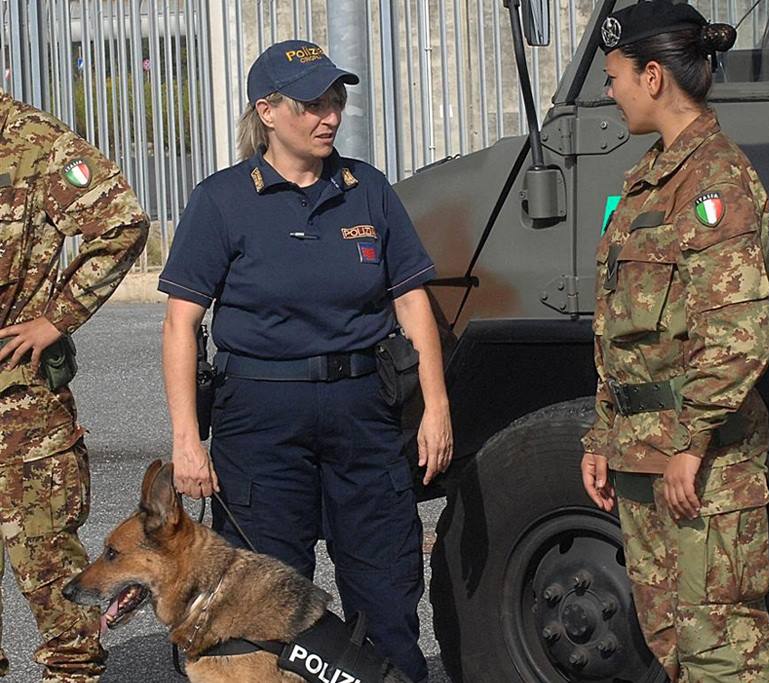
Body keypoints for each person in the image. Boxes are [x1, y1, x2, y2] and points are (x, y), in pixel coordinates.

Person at [158, 40, 451, 683]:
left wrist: (436, 406)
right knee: (259, 598)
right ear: (267, 110)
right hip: (260, 422)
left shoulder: (366, 190)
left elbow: (411, 301)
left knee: (387, 581)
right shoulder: (222, 200)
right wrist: (187, 441)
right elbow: (182, 324)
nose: (330, 117)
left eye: (336, 101)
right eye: (313, 104)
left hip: (361, 415)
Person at [579, 3, 769, 681]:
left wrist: (693, 446)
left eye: (615, 77)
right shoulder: (646, 181)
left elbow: (735, 336)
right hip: (643, 456)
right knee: (673, 646)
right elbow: (622, 331)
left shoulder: (714, 181)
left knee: (721, 648)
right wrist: (602, 438)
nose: (610, 91)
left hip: (703, 466)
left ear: (654, 76)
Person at [0, 93, 148, 681]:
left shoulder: (33, 143)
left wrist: (57, 317)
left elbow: (120, 222)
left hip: (18, 404)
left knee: (48, 574)